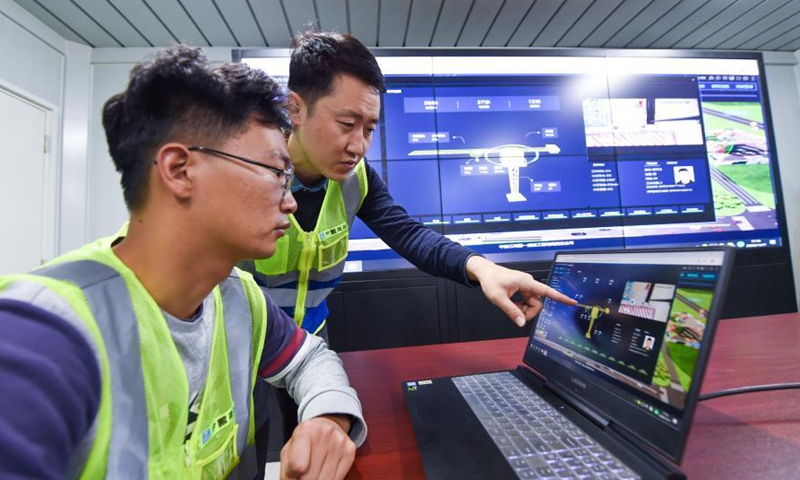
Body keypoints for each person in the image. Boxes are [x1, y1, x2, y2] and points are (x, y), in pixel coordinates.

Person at [0, 45, 365, 480]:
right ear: (179, 170)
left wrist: (328, 418)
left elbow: (309, 359)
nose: (290, 202)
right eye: (275, 173)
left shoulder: (240, 299)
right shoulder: (42, 334)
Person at [239, 30, 576, 343]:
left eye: (369, 129)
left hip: (310, 341)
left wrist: (484, 269)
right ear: (295, 109)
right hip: (244, 343)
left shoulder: (358, 179)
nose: (359, 146)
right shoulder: (244, 174)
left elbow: (409, 234)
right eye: (346, 123)